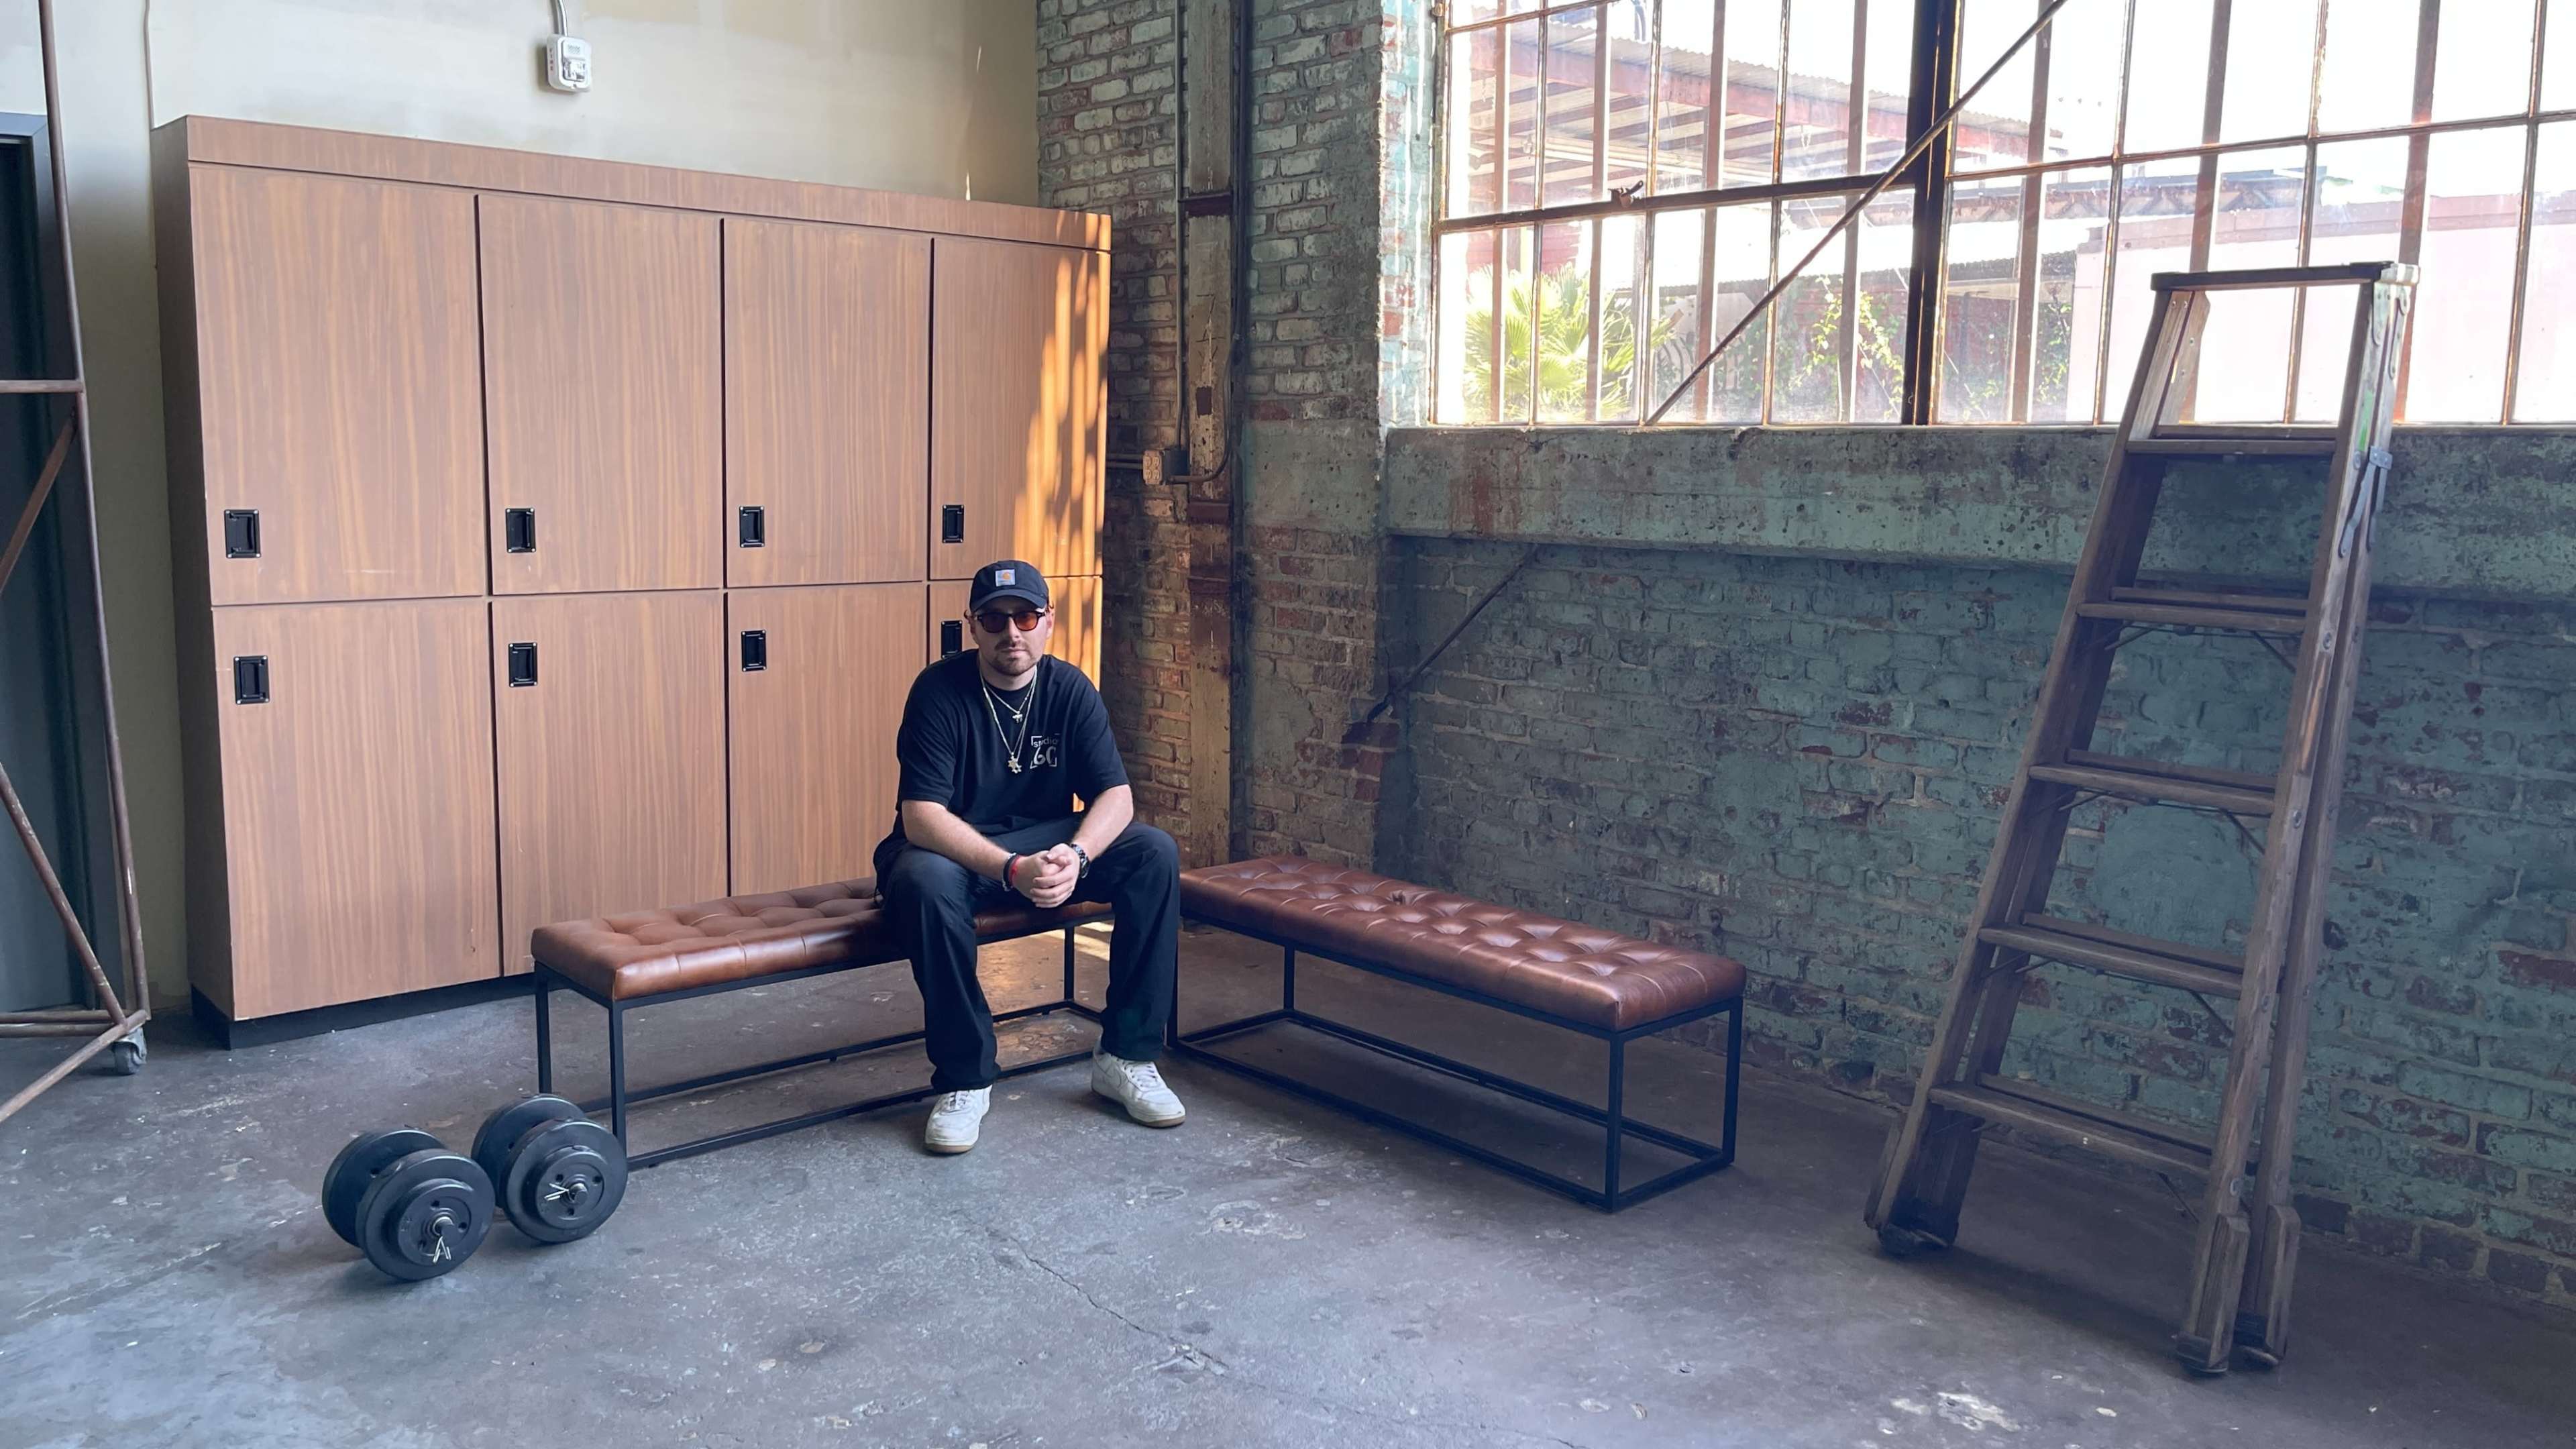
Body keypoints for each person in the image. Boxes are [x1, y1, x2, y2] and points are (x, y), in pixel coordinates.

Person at [874, 559, 1185, 1155]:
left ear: (1048, 621)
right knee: (921, 880)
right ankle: (965, 1080)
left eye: (1025, 616)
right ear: (972, 625)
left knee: (1153, 852)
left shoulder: (1070, 689)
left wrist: (1078, 855)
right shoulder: (938, 691)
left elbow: (1116, 797)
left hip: (1045, 843)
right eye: (994, 619)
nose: (1011, 632)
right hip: (956, 850)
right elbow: (922, 816)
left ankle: (1126, 1056)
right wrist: (1011, 869)